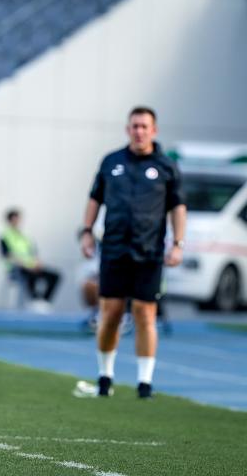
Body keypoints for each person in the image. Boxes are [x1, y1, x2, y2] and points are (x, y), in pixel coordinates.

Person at [75, 106, 186, 399]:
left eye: (144, 126)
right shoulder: (111, 161)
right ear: (128, 129)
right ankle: (105, 377)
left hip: (149, 253)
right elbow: (94, 199)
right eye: (135, 126)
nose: (139, 131)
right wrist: (86, 232)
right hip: (114, 250)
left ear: (154, 130)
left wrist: (178, 244)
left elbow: (178, 207)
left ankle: (144, 383)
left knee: (144, 313)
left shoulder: (166, 166)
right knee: (110, 313)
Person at [0, 208, 61, 307]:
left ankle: (44, 302)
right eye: (15, 219)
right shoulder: (4, 237)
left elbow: (34, 253)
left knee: (55, 276)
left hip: (31, 267)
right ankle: (34, 300)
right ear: (9, 221)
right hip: (16, 269)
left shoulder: (25, 236)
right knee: (29, 274)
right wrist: (26, 265)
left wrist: (37, 263)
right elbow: (7, 255)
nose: (17, 222)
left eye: (18, 219)